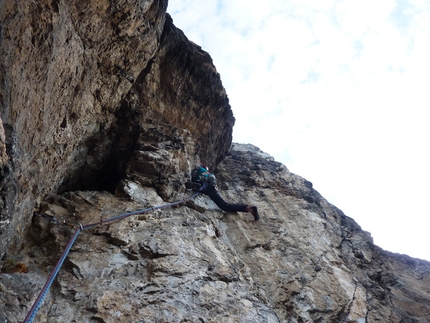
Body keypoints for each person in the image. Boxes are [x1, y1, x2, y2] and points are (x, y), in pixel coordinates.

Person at [185, 165, 260, 221]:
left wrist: (195, 181)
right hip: (212, 190)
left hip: (204, 186)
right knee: (225, 206)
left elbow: (195, 175)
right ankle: (248, 208)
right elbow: (212, 178)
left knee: (201, 186)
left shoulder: (200, 170)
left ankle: (197, 186)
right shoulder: (207, 172)